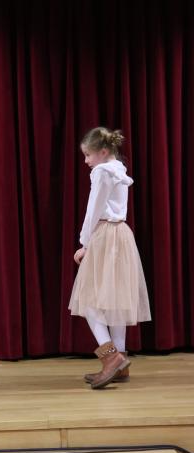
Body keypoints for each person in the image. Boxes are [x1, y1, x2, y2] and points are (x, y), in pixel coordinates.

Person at [68, 127, 151, 389]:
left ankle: (111, 358)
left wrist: (84, 243)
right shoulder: (119, 170)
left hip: (104, 234)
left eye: (88, 155)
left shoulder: (102, 171)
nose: (86, 161)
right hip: (122, 233)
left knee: (88, 300)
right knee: (116, 301)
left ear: (103, 152)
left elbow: (93, 210)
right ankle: (121, 362)